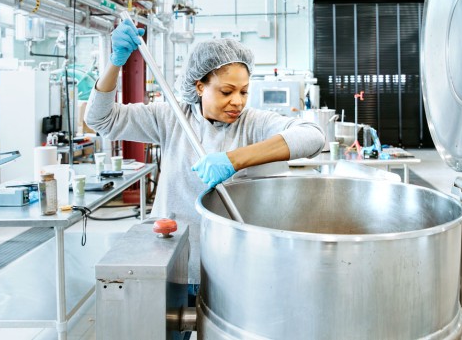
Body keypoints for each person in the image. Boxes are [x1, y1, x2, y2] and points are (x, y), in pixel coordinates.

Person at [85, 20, 325, 288]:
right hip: (174, 252)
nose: (238, 101)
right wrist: (115, 63)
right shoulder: (172, 117)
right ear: (199, 86)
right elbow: (101, 119)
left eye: (244, 91)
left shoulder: (254, 123)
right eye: (227, 91)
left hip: (235, 261)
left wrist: (234, 160)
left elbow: (313, 136)